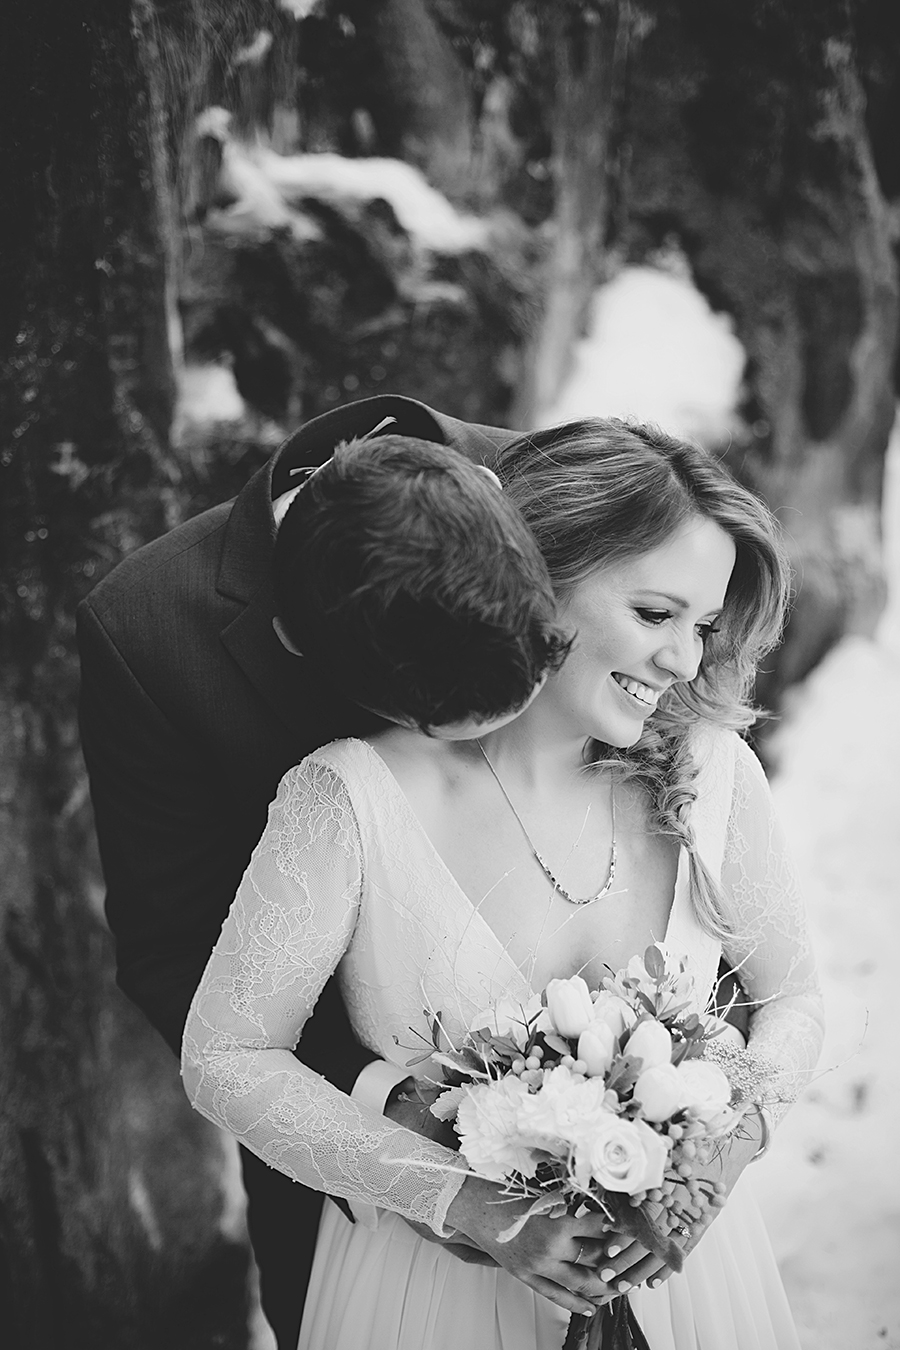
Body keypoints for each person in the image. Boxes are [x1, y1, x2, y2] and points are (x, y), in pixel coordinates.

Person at [181, 417, 825, 1349]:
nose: (684, 660)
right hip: (428, 1297)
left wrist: (727, 1146)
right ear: (540, 575)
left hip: (694, 1292)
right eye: (654, 614)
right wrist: (455, 1200)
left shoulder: (714, 768)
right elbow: (227, 1056)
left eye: (705, 626)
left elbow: (795, 996)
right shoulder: (351, 795)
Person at [77, 394, 533, 1350]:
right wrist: (383, 1126)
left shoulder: (558, 483)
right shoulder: (149, 630)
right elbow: (174, 943)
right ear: (295, 643)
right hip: (334, 1164)